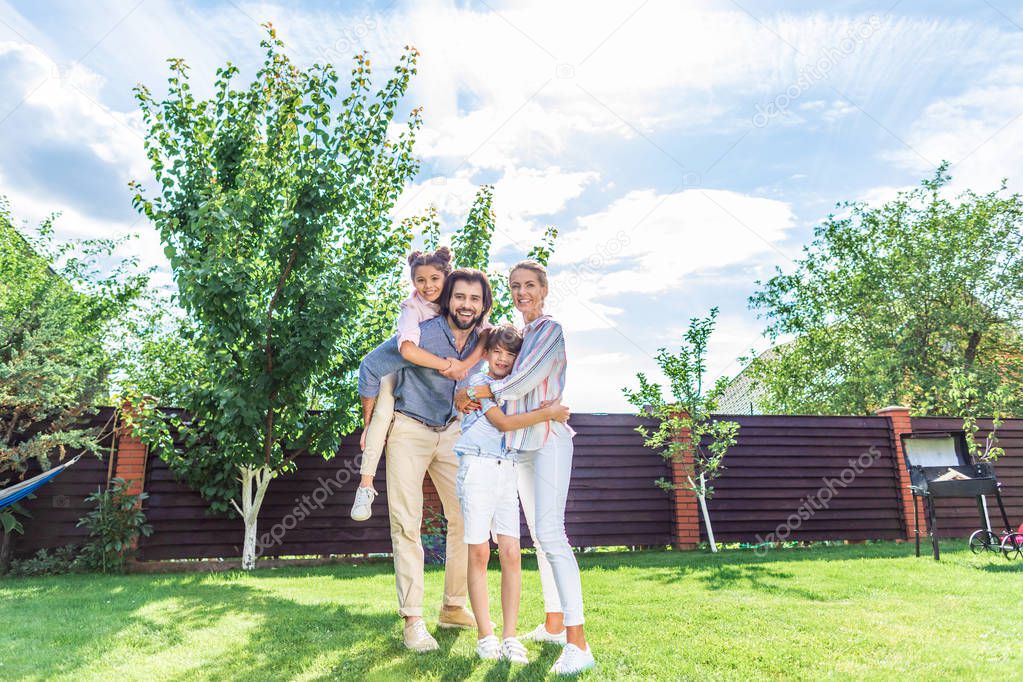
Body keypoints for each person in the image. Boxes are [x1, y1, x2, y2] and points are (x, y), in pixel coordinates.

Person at [456, 260, 595, 675]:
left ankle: (578, 641)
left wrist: (482, 390)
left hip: (549, 442)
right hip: (519, 446)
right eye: (515, 286)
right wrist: (467, 394)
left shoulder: (550, 330)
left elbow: (522, 383)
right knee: (539, 533)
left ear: (545, 288)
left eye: (530, 285)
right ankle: (554, 625)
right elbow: (492, 374)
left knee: (553, 534)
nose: (522, 293)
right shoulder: (521, 335)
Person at [358, 268, 492, 652]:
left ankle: (452, 607)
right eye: (460, 297)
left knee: (466, 517)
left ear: (483, 306)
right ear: (448, 298)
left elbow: (504, 351)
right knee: (407, 522)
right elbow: (370, 365)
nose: (466, 305)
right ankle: (413, 620)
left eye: (475, 299)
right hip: (408, 429)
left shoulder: (482, 337)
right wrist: (369, 425)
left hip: (451, 429)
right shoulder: (424, 334)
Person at [454, 323, 571, 664]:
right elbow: (502, 425)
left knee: (511, 554)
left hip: (507, 468)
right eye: (497, 352)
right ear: (487, 353)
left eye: (510, 354)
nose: (502, 359)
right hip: (478, 468)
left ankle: (509, 637)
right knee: (478, 554)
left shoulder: (510, 387)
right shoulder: (479, 383)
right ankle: (485, 635)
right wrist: (548, 413)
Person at [351, 247, 486, 522]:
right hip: (399, 377)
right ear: (413, 281)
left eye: (435, 279)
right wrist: (448, 365)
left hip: (448, 422)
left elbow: (489, 337)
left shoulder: (466, 315)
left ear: (446, 279)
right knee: (380, 416)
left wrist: (463, 367)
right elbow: (405, 352)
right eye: (420, 280)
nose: (428, 286)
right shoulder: (412, 309)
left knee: (464, 512)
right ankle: (365, 485)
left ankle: (491, 506)